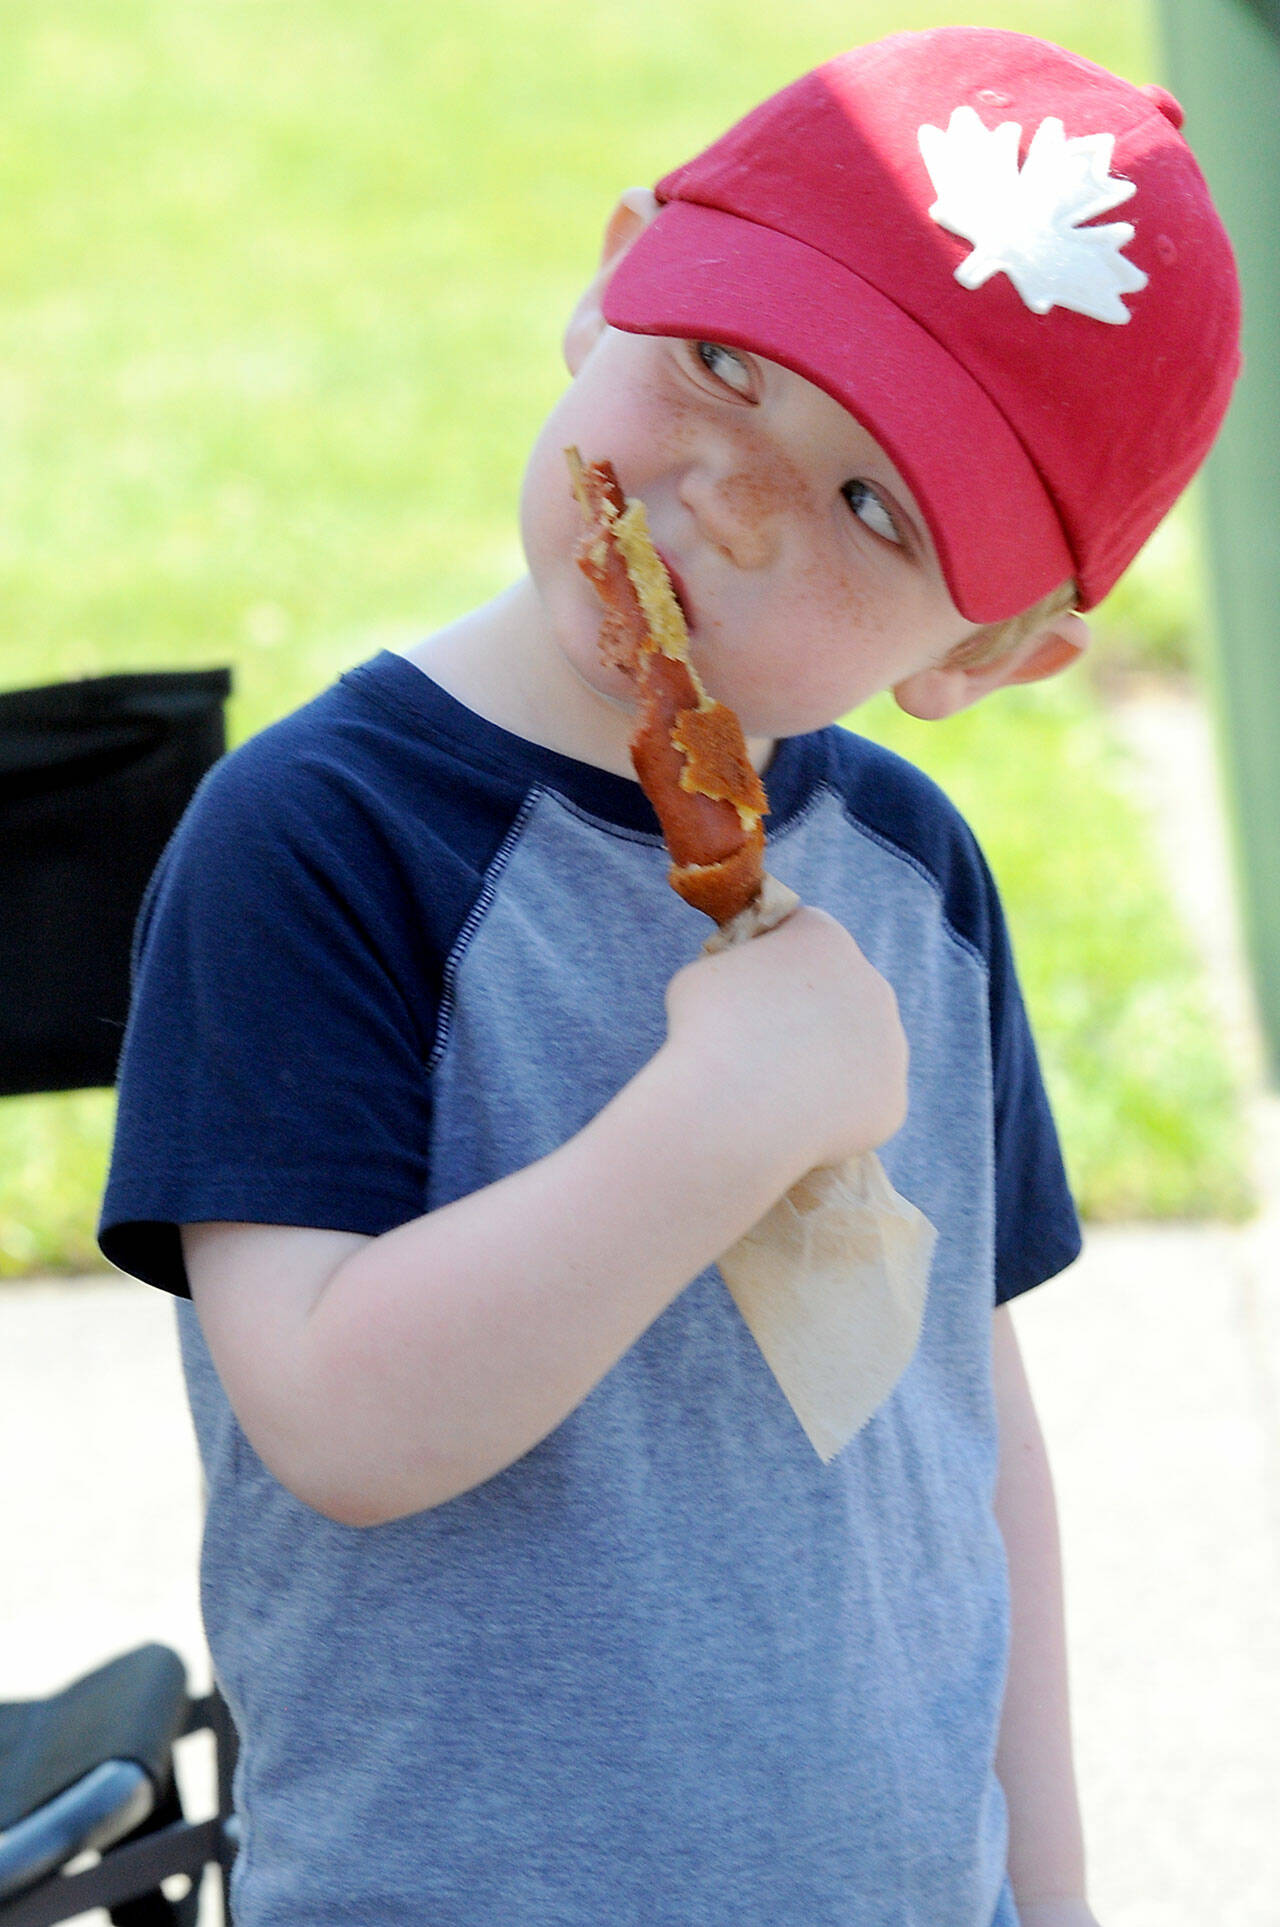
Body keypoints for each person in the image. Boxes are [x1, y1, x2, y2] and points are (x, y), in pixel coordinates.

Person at [99, 25, 1240, 1927]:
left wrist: (1049, 1892)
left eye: (876, 507)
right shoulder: (318, 837)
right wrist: (711, 1127)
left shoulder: (914, 882)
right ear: (614, 269)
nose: (730, 495)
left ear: (998, 653)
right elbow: (336, 1420)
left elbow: (973, 1440)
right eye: (725, 358)